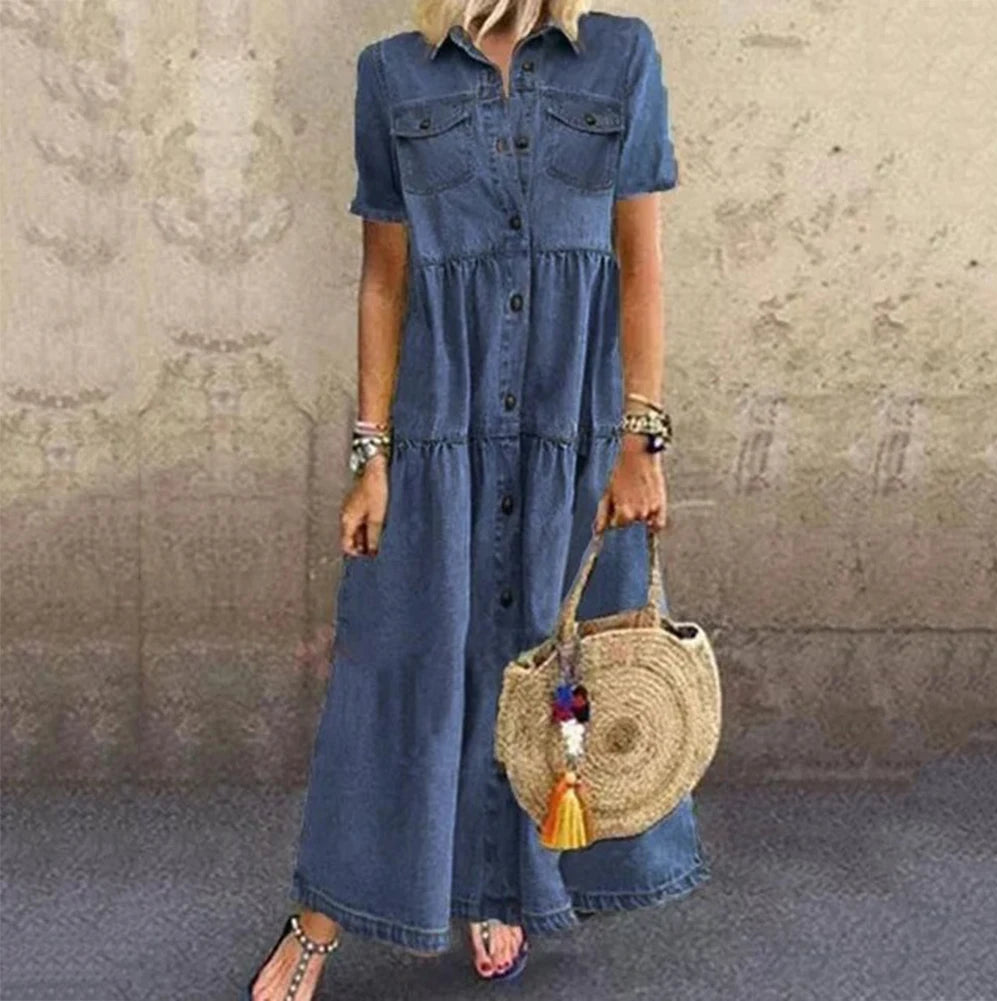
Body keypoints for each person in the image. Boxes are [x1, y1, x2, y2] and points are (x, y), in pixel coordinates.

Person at [243, 1, 710, 998]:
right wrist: (372, 455)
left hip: (573, 432)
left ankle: (503, 886)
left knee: (552, 673)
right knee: (396, 669)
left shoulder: (620, 55)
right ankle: (318, 919)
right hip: (439, 432)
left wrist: (640, 438)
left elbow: (639, 260)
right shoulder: (391, 74)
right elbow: (383, 279)